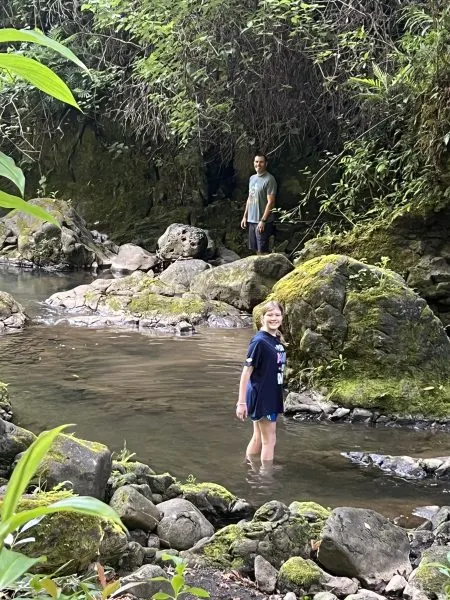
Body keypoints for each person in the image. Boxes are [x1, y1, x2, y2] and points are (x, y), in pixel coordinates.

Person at [236, 300, 286, 463]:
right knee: (269, 440)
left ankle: (249, 468)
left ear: (282, 317)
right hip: (263, 396)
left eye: (277, 315)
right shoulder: (260, 341)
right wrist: (241, 403)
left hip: (269, 394)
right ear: (262, 317)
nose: (274, 318)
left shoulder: (274, 340)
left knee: (258, 437)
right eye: (270, 315)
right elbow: (246, 372)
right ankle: (265, 480)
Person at [240, 154, 277, 254]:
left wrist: (263, 220)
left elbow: (271, 202)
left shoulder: (269, 179)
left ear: (266, 164)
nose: (258, 164)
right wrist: (245, 217)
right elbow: (250, 198)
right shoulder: (252, 178)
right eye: (256, 162)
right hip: (251, 220)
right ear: (254, 163)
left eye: (261, 162)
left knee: (263, 251)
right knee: (255, 249)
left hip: (262, 221)